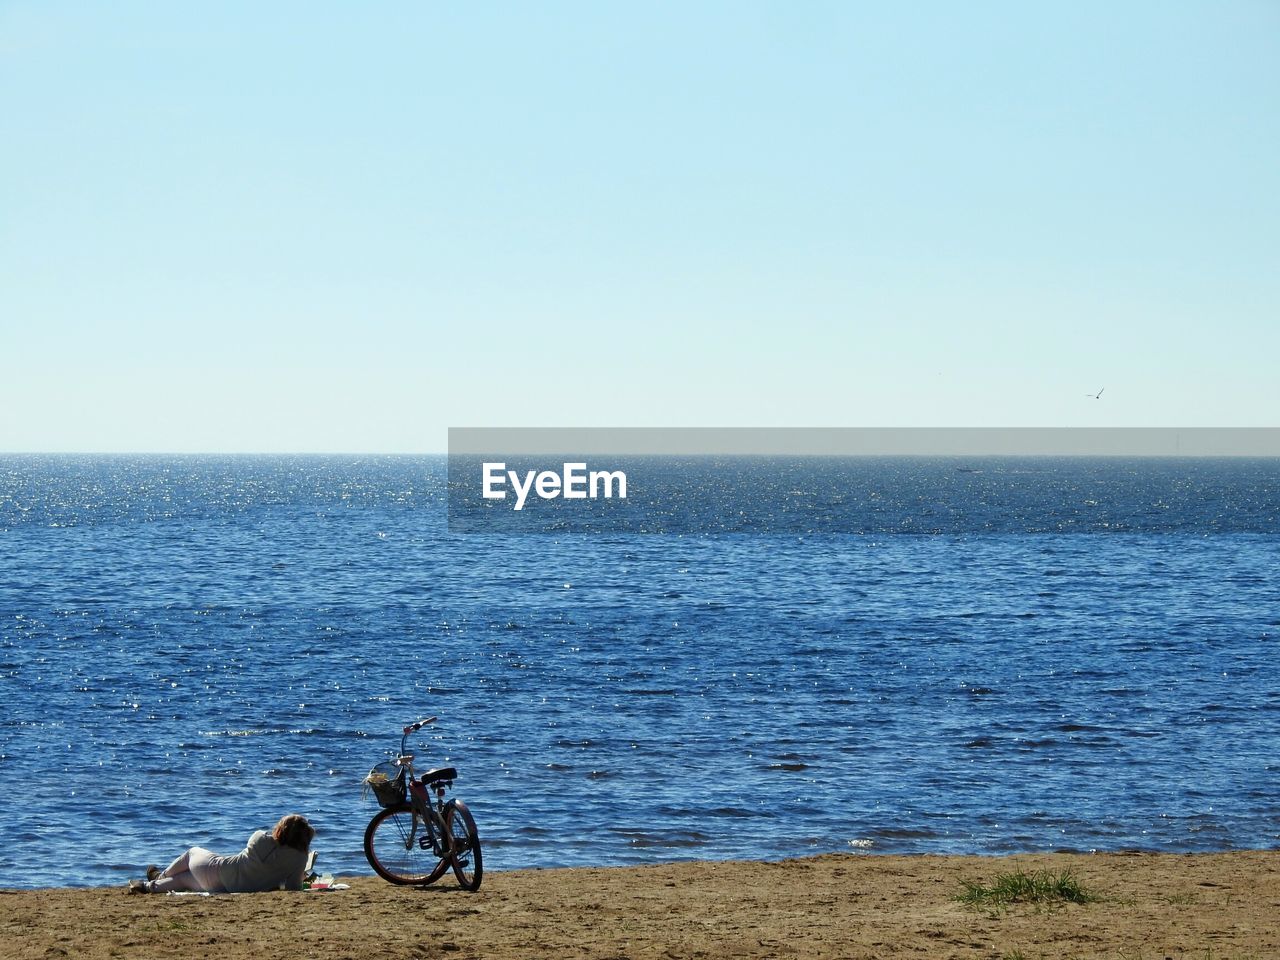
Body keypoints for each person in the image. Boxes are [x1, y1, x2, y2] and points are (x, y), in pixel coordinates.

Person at [128, 814, 315, 894]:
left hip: (218, 871)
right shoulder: (300, 858)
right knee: (185, 880)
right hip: (227, 888)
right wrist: (299, 876)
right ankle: (147, 886)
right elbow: (293, 888)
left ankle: (160, 876)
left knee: (193, 852)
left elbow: (268, 847)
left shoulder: (259, 838)